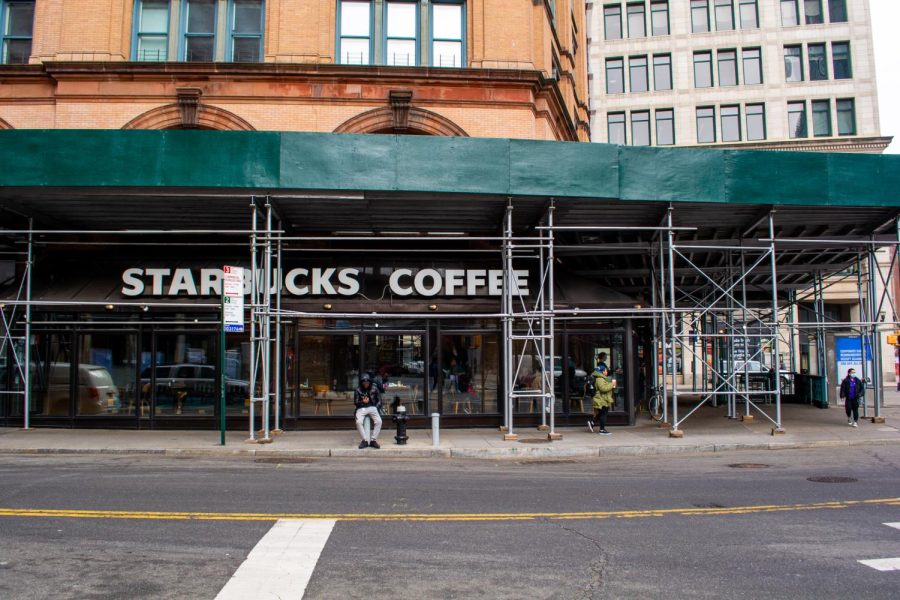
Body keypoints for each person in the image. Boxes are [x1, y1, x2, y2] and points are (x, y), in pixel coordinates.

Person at [353, 373, 382, 448]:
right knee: (358, 422)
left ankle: (373, 440)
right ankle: (364, 440)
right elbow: (355, 402)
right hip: (361, 408)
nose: (366, 384)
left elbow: (380, 400)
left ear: (370, 382)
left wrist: (376, 407)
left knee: (379, 421)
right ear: (361, 383)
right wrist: (363, 402)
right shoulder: (358, 390)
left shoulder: (374, 388)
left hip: (372, 407)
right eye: (364, 383)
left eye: (367, 383)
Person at [587, 364, 616, 435]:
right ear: (602, 372)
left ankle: (592, 422)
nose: (607, 372)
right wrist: (612, 384)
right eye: (606, 370)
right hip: (601, 399)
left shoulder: (601, 378)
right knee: (604, 414)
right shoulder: (600, 379)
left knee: (601, 413)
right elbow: (603, 389)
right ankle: (602, 430)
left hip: (602, 398)